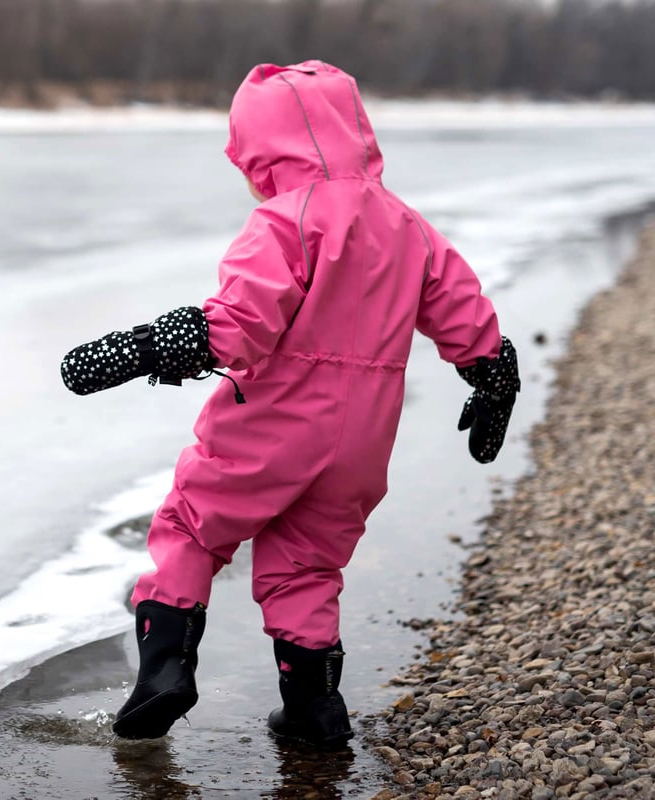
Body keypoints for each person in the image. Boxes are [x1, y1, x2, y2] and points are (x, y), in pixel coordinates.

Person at [60, 60, 520, 749]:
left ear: (265, 153)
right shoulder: (410, 228)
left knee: (191, 527)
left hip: (271, 424)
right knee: (307, 564)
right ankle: (313, 709)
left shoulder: (285, 221)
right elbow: (462, 313)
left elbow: (239, 323)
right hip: (363, 440)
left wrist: (151, 345)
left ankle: (163, 673)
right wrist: (492, 375)